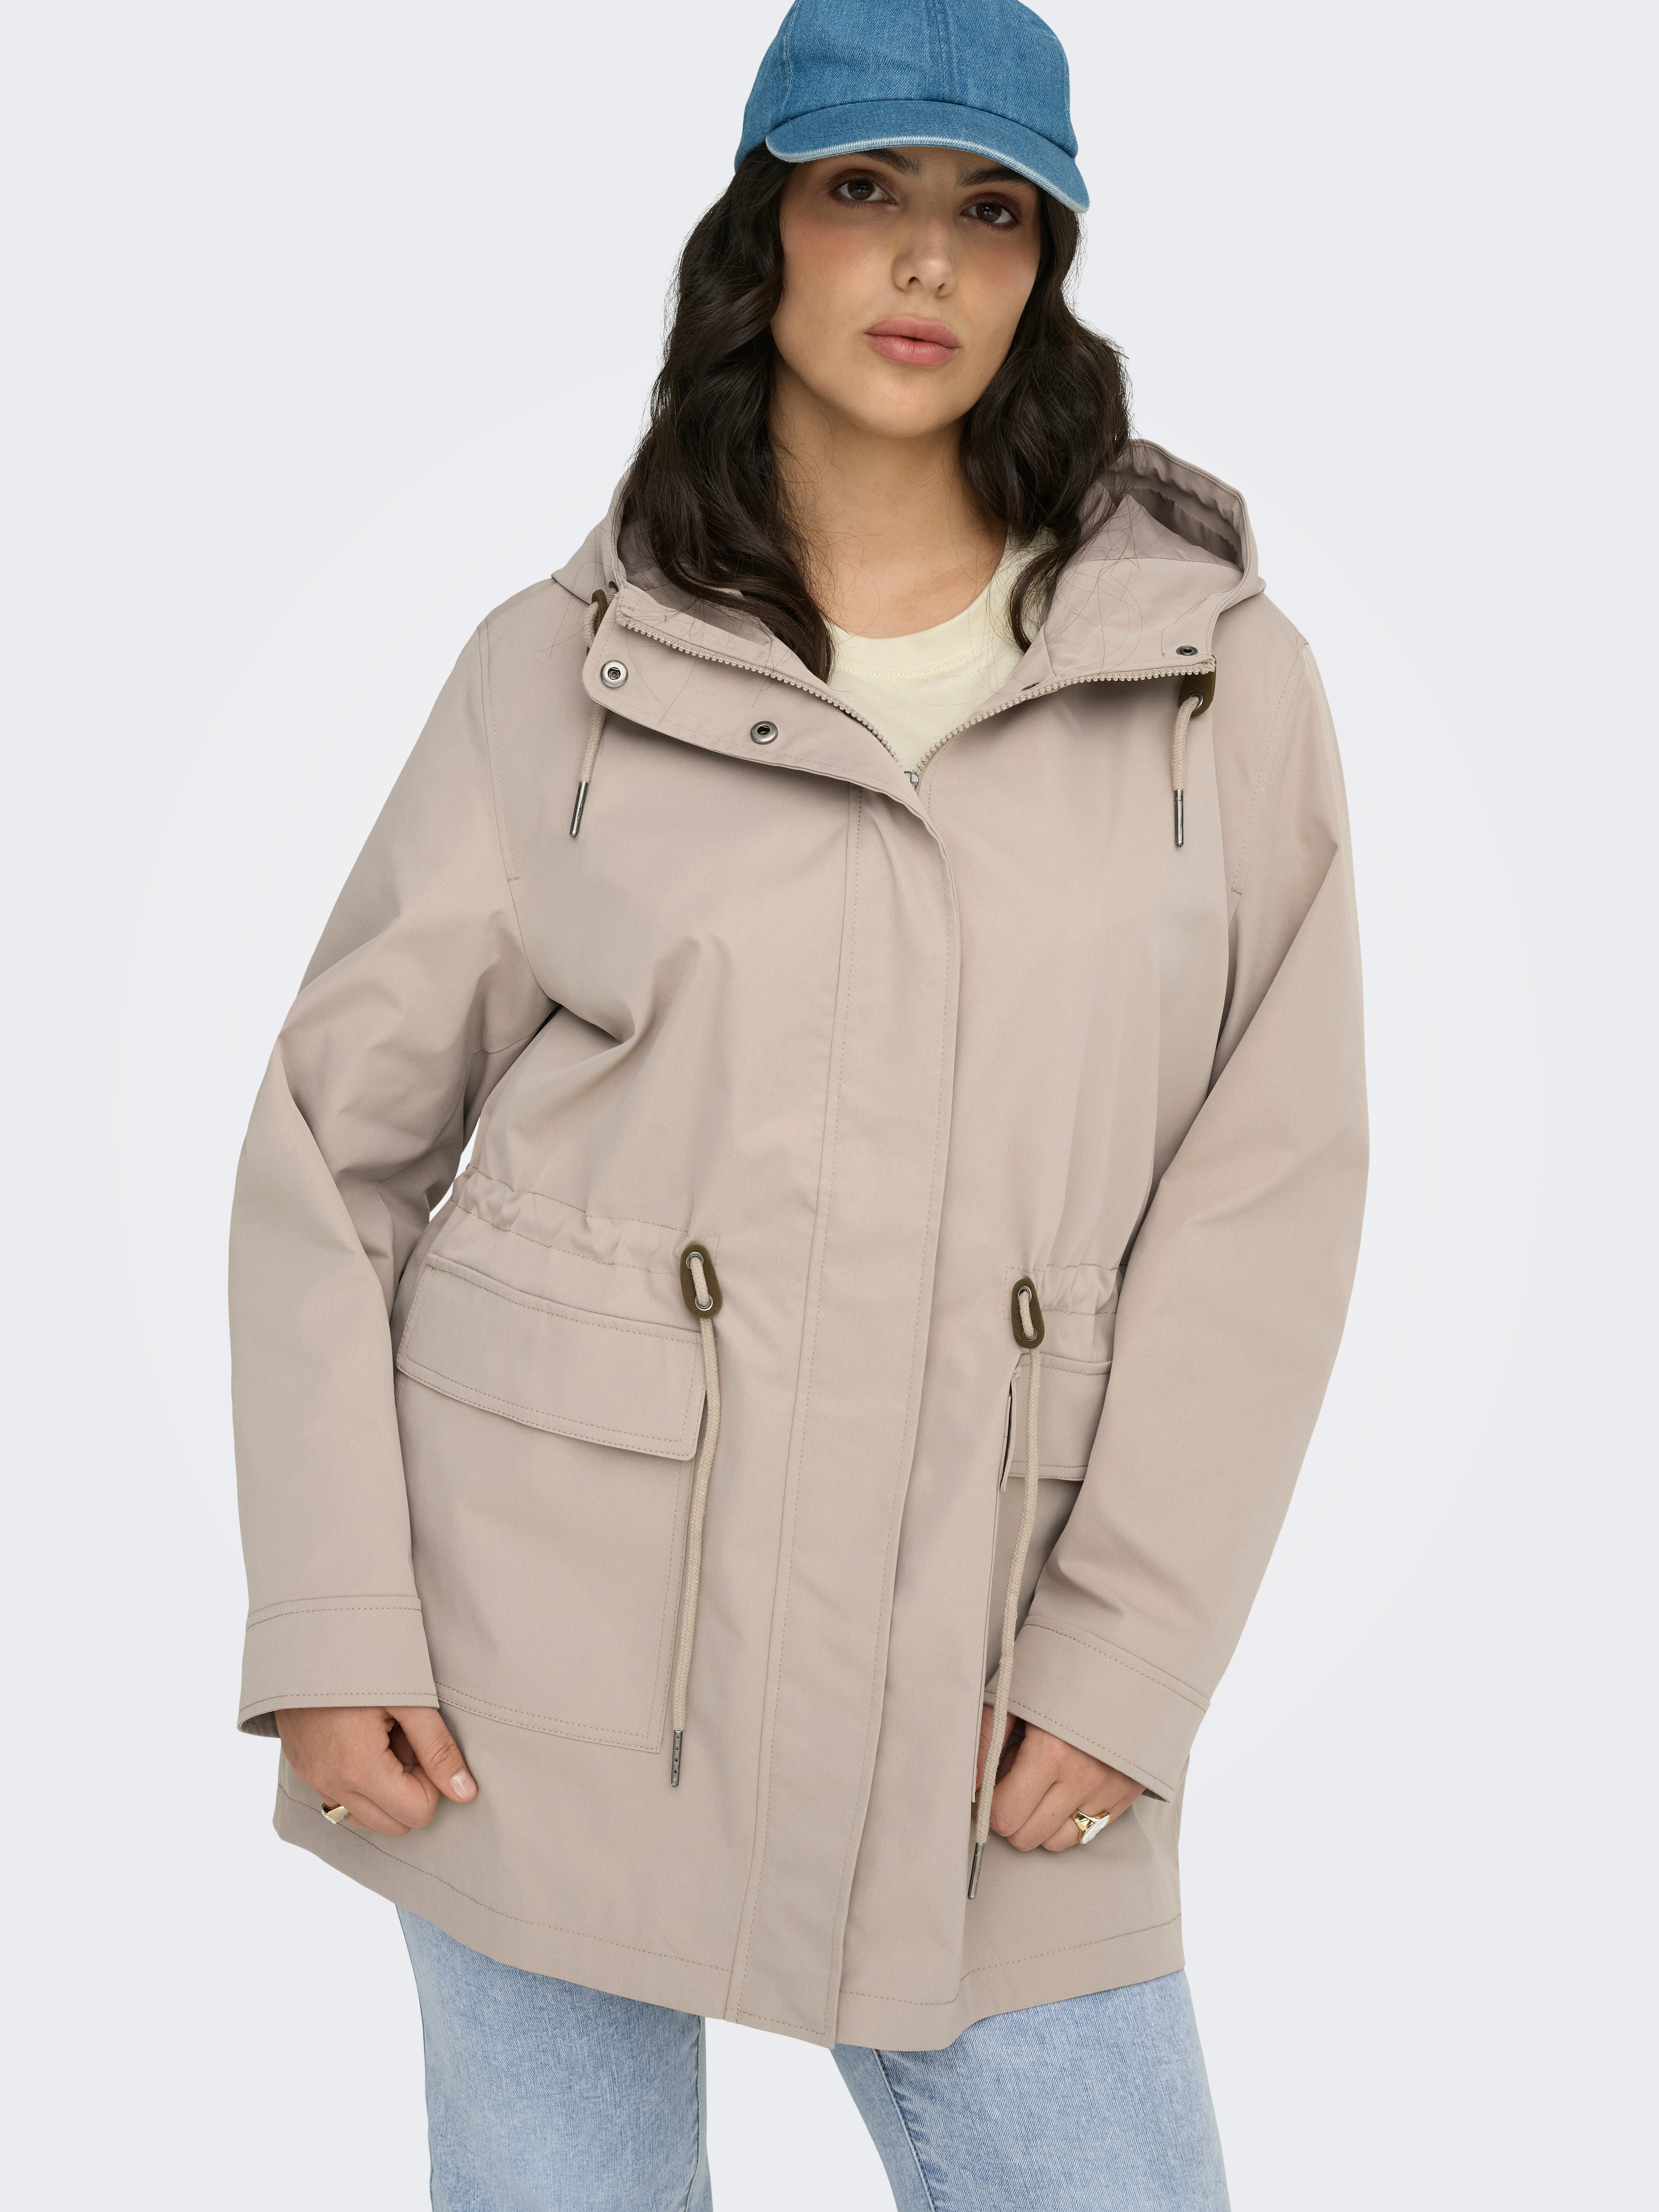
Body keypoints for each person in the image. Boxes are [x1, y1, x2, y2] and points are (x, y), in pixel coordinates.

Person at [229, 0, 1368, 2203]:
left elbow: (1269, 1196)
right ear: (763, 236)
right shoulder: (560, 665)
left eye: (989, 209)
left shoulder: (1210, 681)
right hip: (537, 1632)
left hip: (986, 1645)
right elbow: (329, 1152)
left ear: (1043, 269)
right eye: (865, 191)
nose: (926, 256)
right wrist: (333, 1613)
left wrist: (1128, 1651)